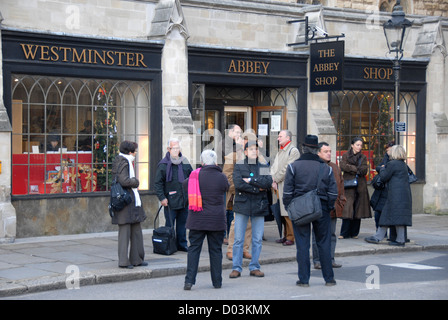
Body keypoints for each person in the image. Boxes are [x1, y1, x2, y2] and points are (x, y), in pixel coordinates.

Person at [283, 135, 338, 287]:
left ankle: (304, 279)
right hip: (321, 208)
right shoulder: (326, 168)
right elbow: (333, 193)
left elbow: (287, 193)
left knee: (302, 245)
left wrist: (289, 207)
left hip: (300, 209)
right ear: (316, 150)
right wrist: (328, 206)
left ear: (303, 149)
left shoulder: (294, 167)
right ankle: (329, 278)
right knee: (324, 244)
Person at [183, 150, 229, 290]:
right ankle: (217, 282)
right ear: (216, 162)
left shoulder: (194, 176)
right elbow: (226, 188)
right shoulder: (221, 177)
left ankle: (189, 281)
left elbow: (184, 186)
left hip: (197, 219)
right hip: (216, 220)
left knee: (194, 250)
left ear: (202, 162)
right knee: (215, 250)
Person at [229, 140, 272, 279]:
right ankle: (236, 267)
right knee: (238, 239)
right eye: (251, 149)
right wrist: (256, 188)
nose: (254, 151)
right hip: (242, 205)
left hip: (259, 206)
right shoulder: (240, 166)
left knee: (257, 239)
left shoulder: (263, 166)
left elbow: (267, 183)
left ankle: (254, 266)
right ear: (246, 152)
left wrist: (251, 180)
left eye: (256, 149)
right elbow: (238, 184)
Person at [365, 145, 412, 246]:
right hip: (403, 195)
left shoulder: (392, 164)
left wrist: (381, 169)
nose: (389, 152)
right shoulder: (402, 164)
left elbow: (383, 177)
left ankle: (380, 237)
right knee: (398, 217)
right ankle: (398, 239)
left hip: (394, 195)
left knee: (387, 215)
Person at [111, 140, 147, 269]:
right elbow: (124, 180)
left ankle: (136, 259)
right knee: (125, 231)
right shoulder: (124, 162)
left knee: (135, 230)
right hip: (126, 201)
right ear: (130, 152)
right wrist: (136, 182)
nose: (136, 153)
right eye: (135, 151)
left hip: (130, 202)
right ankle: (124, 261)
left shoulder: (122, 160)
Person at [155, 138, 193, 252]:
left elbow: (192, 178)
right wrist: (162, 198)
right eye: (173, 148)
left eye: (177, 148)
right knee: (170, 225)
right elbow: (158, 183)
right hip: (170, 201)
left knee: (182, 224)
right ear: (168, 149)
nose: (176, 150)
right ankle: (169, 244)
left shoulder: (185, 161)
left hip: (184, 199)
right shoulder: (163, 165)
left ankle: (182, 244)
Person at [312, 142, 346, 269]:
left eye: (330, 151)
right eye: (326, 151)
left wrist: (341, 202)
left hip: (333, 206)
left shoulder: (335, 167)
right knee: (317, 234)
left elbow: (341, 186)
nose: (329, 153)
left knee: (331, 234)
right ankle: (317, 260)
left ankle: (330, 259)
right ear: (318, 153)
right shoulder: (315, 167)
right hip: (319, 206)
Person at [223, 125, 252, 260]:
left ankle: (245, 249)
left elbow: (264, 174)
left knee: (249, 224)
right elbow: (227, 177)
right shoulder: (232, 156)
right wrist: (239, 188)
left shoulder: (256, 158)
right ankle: (231, 249)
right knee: (236, 223)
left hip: (252, 195)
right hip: (238, 194)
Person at [270, 130, 300, 246]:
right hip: (278, 185)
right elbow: (274, 166)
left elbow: (287, 169)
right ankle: (285, 235)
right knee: (281, 212)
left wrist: (275, 179)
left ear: (288, 137)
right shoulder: (281, 150)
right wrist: (272, 179)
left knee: (287, 212)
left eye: (280, 136)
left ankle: (291, 237)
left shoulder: (293, 151)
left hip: (286, 185)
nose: (278, 138)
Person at [339, 137, 372, 239]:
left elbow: (364, 170)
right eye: (357, 145)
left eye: (361, 145)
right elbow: (343, 166)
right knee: (347, 208)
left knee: (358, 209)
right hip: (348, 185)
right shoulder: (345, 155)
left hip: (360, 185)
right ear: (352, 145)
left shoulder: (363, 157)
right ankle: (344, 233)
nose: (359, 147)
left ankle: (354, 233)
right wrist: (355, 169)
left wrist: (351, 168)